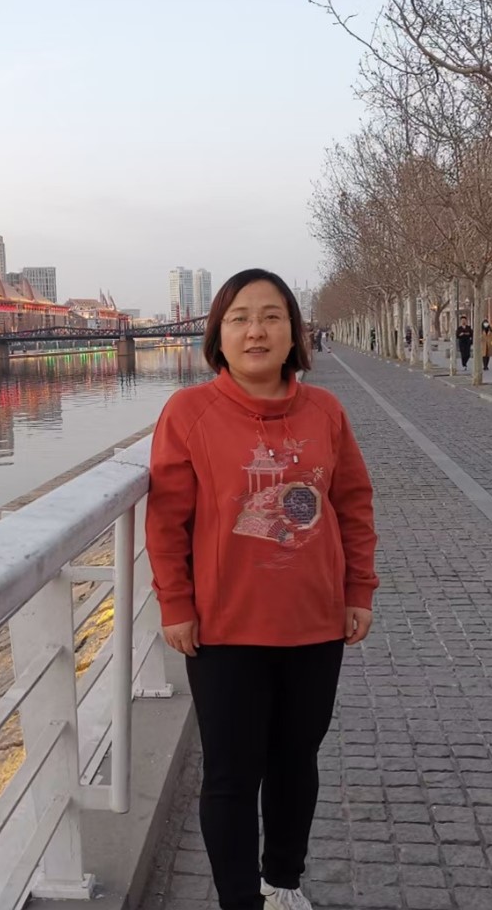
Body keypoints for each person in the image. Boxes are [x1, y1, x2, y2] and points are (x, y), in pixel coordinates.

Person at [147, 268, 378, 910]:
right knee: (230, 774)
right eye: (240, 318)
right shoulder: (188, 413)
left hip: (314, 624)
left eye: (272, 316)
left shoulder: (325, 411)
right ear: (218, 335)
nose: (257, 331)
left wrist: (358, 590)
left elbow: (353, 505)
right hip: (225, 631)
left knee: (296, 763)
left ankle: (282, 884)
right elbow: (167, 521)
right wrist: (175, 603)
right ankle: (239, 902)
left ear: (294, 333)